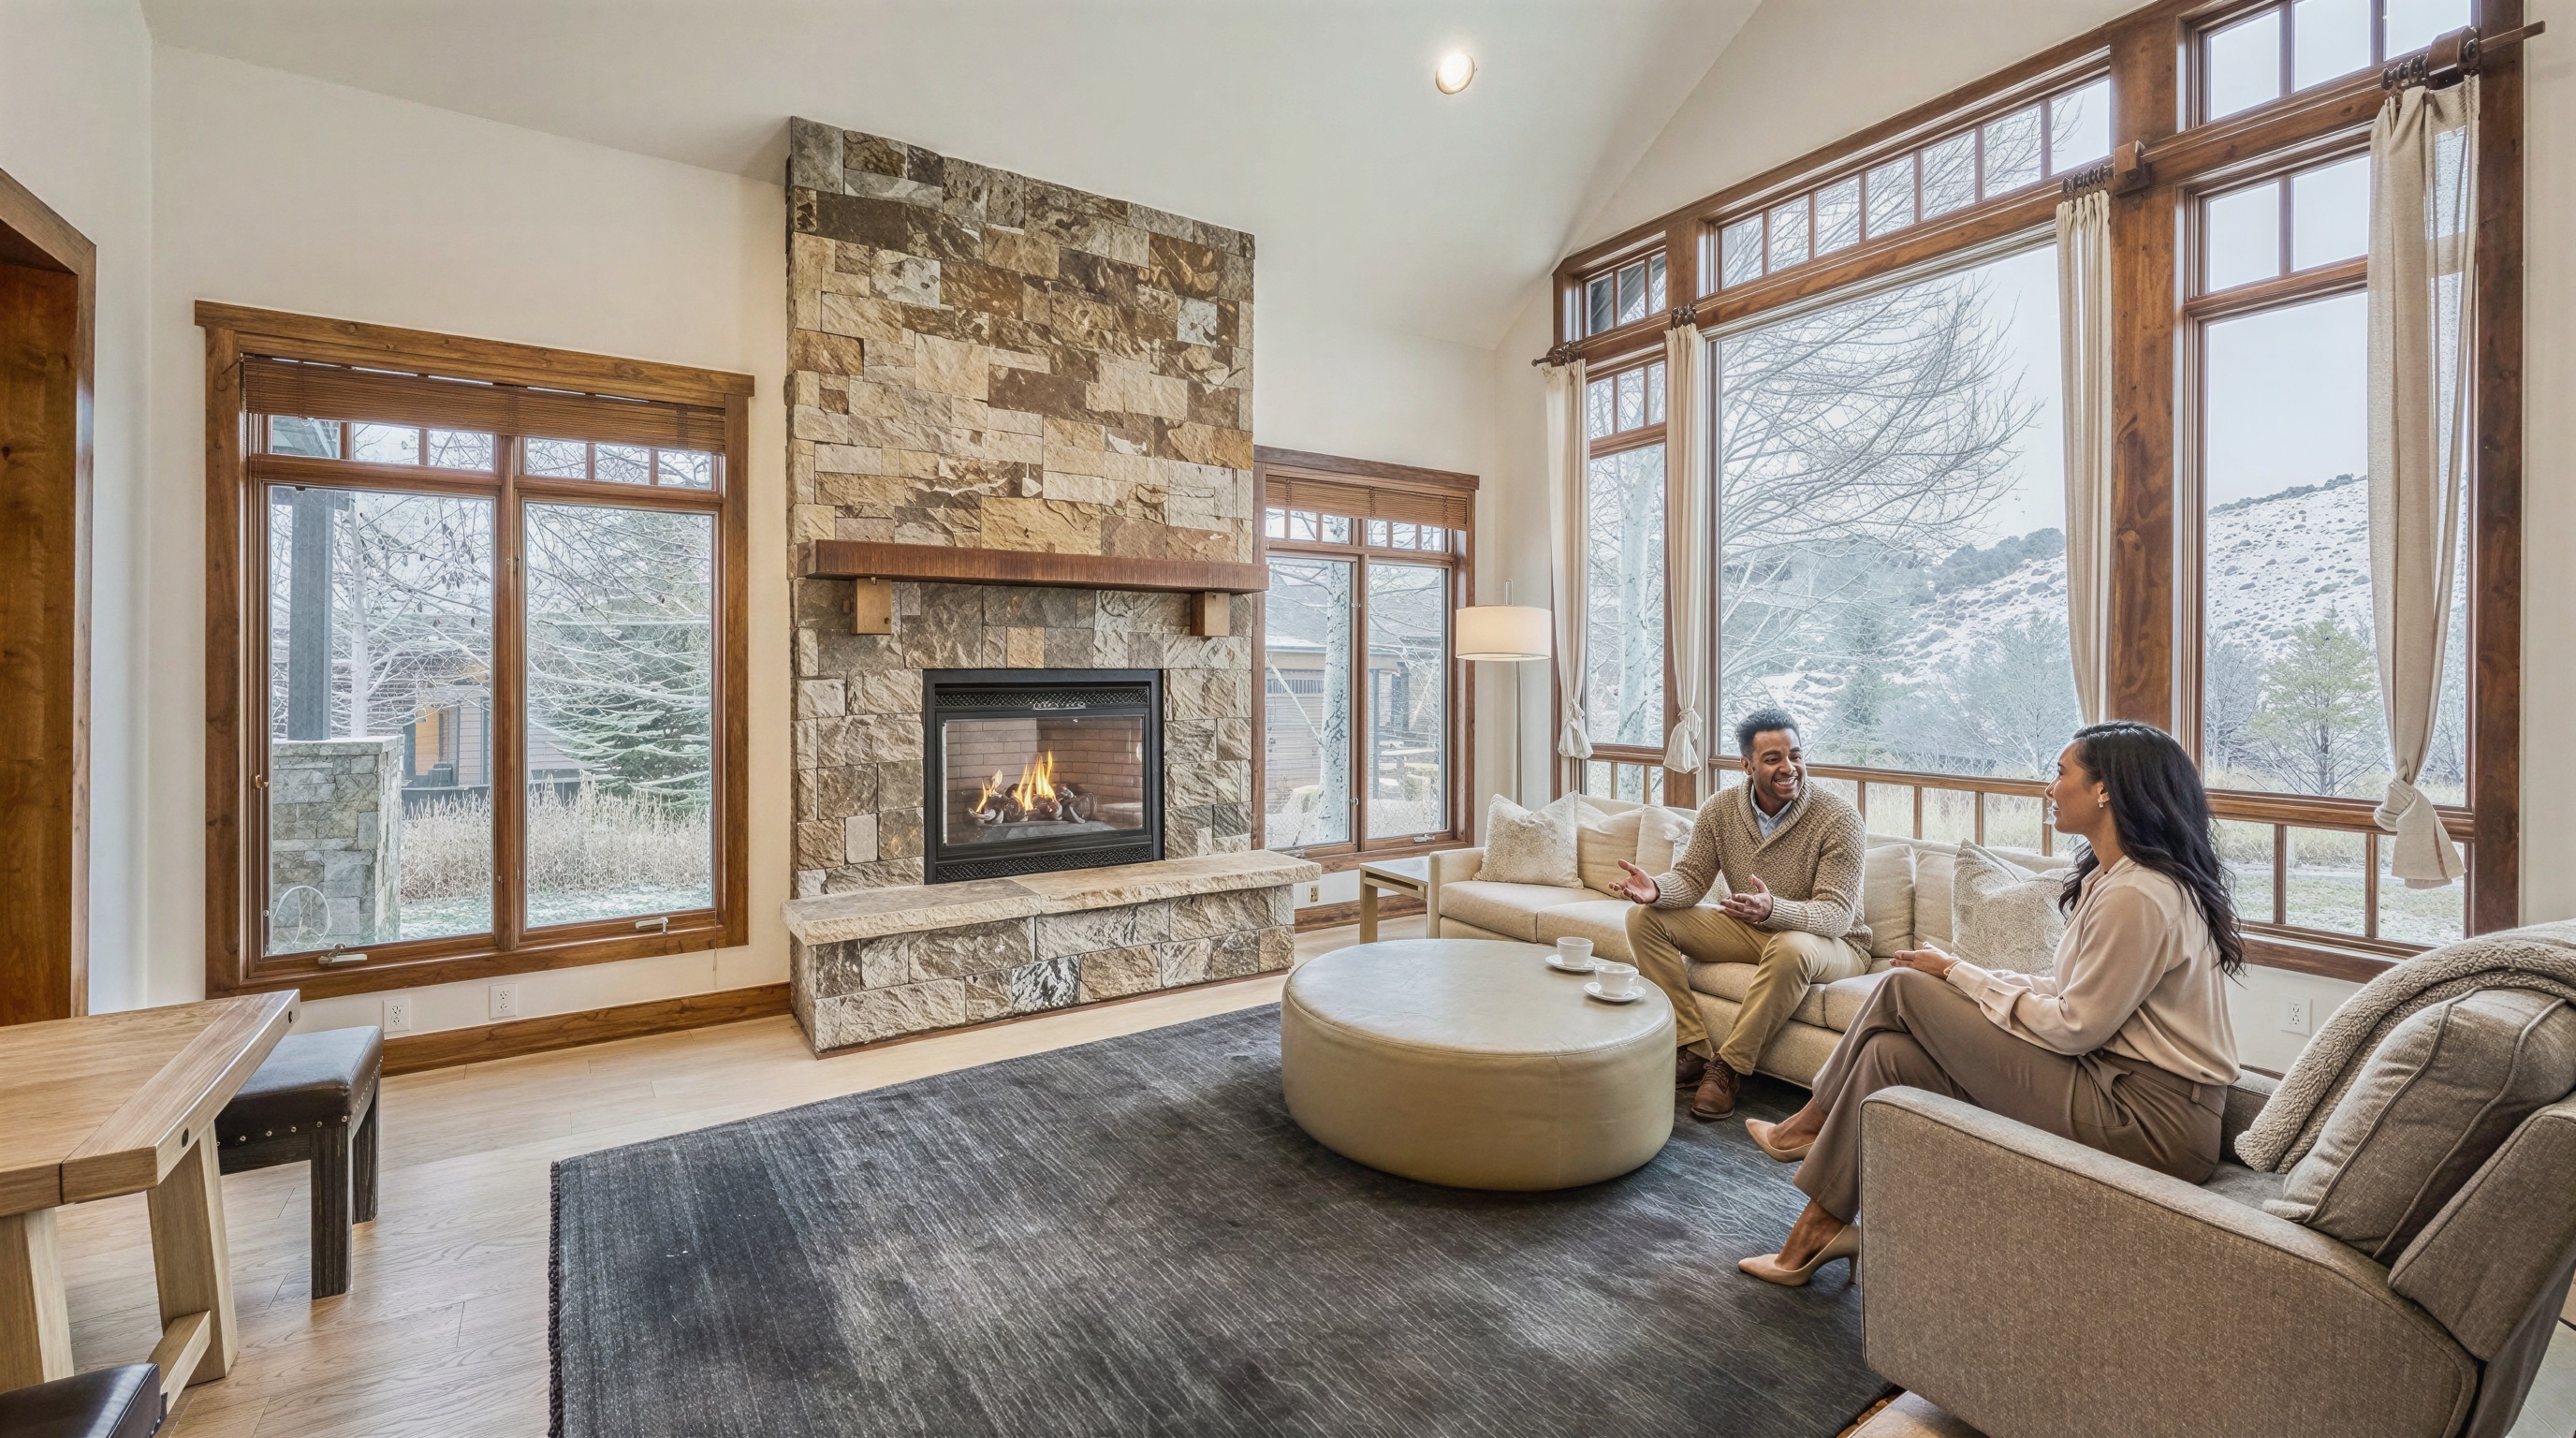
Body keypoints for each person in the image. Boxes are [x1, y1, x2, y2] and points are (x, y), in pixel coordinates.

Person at [1735, 720, 2243, 1286]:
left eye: (2061, 772)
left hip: (2151, 1122)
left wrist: (1956, 973)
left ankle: (1810, 1120)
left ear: (2106, 790)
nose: (2050, 788)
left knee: (1902, 987)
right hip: (2110, 1084)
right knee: (1887, 1054)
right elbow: (2068, 991)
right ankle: (1817, 1229)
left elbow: (2075, 1027)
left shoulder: (2139, 894)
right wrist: (1965, 973)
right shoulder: (2113, 879)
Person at [1614, 709, 1873, 1123]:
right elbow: (1692, 876)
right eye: (1773, 759)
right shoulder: (1721, 809)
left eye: (1796, 755)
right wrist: (1658, 889)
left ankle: (1728, 1068)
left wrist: (1775, 908)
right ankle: (1692, 1046)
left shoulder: (1839, 818)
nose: (1789, 768)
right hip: (1756, 928)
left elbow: (1838, 915)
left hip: (1835, 945)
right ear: (1748, 765)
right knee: (1644, 920)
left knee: (1790, 947)